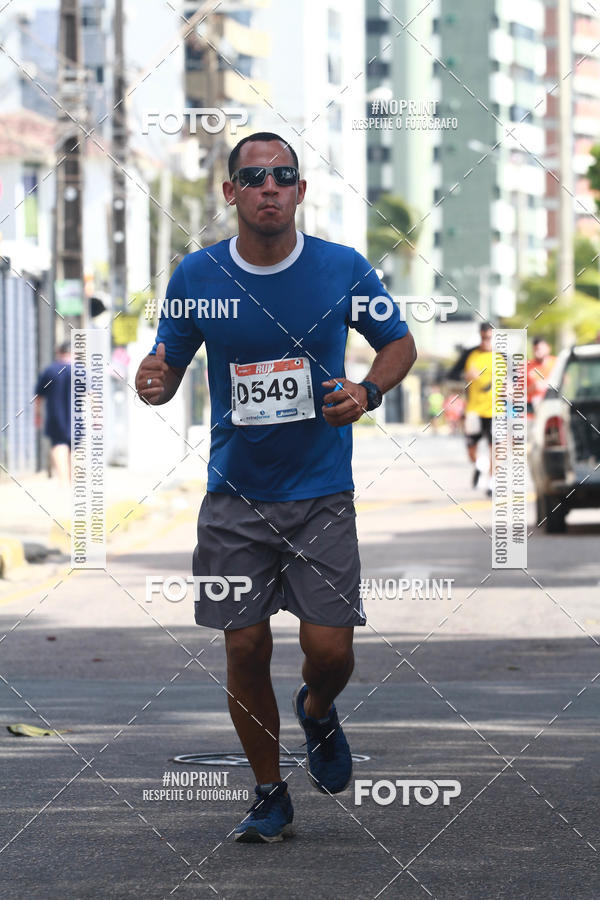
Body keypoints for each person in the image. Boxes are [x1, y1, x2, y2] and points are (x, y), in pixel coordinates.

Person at [135, 132, 417, 843]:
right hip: (234, 495)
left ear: (300, 191)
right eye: (255, 177)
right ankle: (268, 792)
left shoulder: (341, 268)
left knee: (331, 651)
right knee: (243, 647)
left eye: (283, 176)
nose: (270, 187)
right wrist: (154, 379)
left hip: (321, 493)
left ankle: (316, 710)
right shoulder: (198, 275)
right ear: (231, 192)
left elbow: (399, 343)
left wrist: (367, 391)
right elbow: (166, 363)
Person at [462, 322, 497, 493]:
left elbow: (515, 379)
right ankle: (480, 465)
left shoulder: (503, 357)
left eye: (489, 337)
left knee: (495, 447)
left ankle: (492, 482)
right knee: (471, 449)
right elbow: (452, 374)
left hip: (495, 410)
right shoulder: (470, 354)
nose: (486, 341)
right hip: (474, 410)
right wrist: (466, 375)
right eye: (483, 337)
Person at [34, 341, 72, 485]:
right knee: (75, 448)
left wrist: (37, 415)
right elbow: (92, 394)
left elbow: (38, 397)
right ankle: (74, 481)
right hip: (77, 417)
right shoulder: (80, 370)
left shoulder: (50, 371)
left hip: (55, 416)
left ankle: (64, 481)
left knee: (58, 445)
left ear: (58, 352)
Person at [527, 336, 556, 417]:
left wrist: (547, 384)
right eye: (536, 349)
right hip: (531, 409)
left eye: (540, 349)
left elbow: (566, 382)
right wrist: (531, 388)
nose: (538, 352)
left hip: (552, 406)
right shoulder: (527, 366)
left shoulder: (556, 363)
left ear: (548, 348)